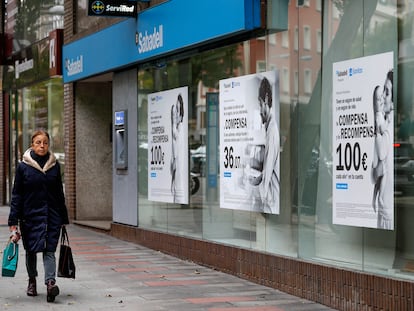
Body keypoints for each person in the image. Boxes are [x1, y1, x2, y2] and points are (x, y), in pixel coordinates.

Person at [8, 129, 69, 302]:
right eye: (38, 142)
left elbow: (59, 193)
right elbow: (17, 195)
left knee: (49, 250)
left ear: (48, 145)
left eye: (45, 143)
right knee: (31, 251)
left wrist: (63, 219)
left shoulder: (54, 165)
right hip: (30, 216)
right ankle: (32, 280)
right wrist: (13, 222)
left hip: (51, 216)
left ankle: (50, 283)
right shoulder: (23, 167)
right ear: (32, 144)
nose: (42, 146)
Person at [245, 76, 280, 214]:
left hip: (271, 202)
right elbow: (266, 171)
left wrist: (261, 201)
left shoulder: (272, 130)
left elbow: (267, 175)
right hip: (270, 200)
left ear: (266, 100)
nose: (259, 111)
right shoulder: (269, 129)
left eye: (260, 104)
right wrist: (254, 181)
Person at [372, 70, 393, 229]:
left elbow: (382, 154)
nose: (383, 98)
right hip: (383, 209)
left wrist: (378, 114)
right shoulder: (385, 123)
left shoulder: (388, 127)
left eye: (387, 92)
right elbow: (379, 169)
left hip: (387, 214)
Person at [170, 94, 184, 202]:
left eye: (178, 110)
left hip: (178, 158)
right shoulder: (175, 127)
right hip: (176, 157)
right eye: (175, 112)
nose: (176, 114)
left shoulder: (180, 127)